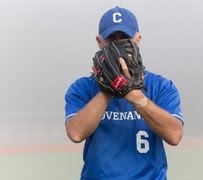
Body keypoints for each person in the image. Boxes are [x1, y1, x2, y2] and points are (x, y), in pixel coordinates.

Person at [64, 6, 184, 180]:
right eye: (112, 39)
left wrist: (137, 98)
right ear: (99, 41)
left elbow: (174, 135)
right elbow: (75, 133)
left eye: (125, 38)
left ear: (138, 39)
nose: (118, 45)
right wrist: (108, 89)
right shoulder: (82, 87)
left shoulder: (161, 86)